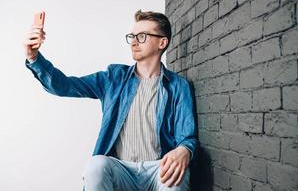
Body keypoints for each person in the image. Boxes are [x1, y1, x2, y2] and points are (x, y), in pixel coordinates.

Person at [24, 10, 199, 191]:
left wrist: (184, 150)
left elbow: (187, 137)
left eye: (142, 36)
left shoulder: (179, 86)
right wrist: (34, 58)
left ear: (162, 42)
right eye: (132, 36)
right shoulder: (113, 78)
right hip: (121, 170)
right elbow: (65, 85)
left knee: (178, 174)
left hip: (158, 169)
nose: (133, 41)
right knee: (96, 165)